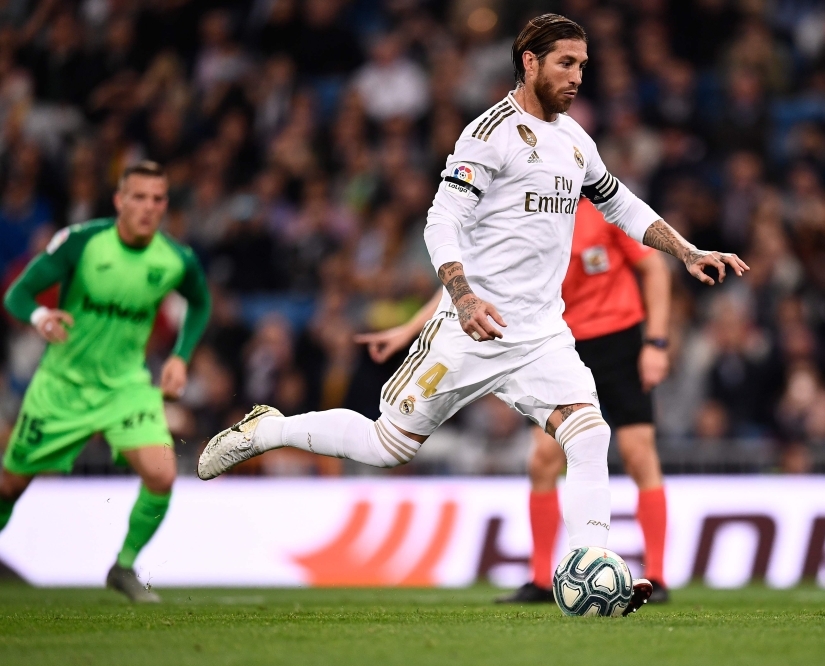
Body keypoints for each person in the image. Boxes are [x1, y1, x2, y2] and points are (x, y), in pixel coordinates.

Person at [198, 14, 746, 615]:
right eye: (567, 63)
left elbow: (622, 206)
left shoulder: (574, 139)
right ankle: (267, 430)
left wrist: (687, 250)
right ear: (530, 62)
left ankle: (593, 566)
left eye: (584, 66)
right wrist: (461, 297)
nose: (577, 77)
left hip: (540, 334)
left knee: (589, 433)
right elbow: (441, 221)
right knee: (390, 446)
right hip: (468, 329)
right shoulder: (489, 134)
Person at [357, 198, 673, 604]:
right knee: (543, 458)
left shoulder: (601, 210)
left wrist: (657, 342)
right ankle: (542, 580)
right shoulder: (522, 213)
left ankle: (659, 576)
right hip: (556, 346)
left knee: (637, 452)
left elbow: (654, 269)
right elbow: (467, 283)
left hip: (618, 340)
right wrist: (409, 329)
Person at [0, 161, 210, 602]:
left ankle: (125, 566)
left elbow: (200, 302)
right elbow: (17, 293)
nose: (148, 207)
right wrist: (39, 316)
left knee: (162, 473)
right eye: (138, 197)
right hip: (63, 384)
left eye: (157, 199)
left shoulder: (175, 259)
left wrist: (181, 357)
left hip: (126, 386)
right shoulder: (82, 243)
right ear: (119, 200)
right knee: (9, 485)